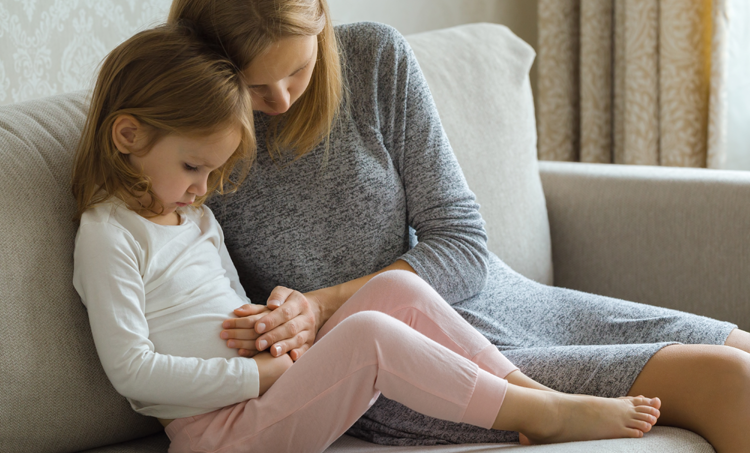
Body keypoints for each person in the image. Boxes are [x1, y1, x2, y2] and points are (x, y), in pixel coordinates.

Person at [166, 1, 750, 452]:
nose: (283, 99)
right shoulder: (191, 144)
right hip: (405, 364)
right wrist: (303, 325)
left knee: (740, 347)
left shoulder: (372, 59)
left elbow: (462, 243)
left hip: (497, 298)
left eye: (297, 68)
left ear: (320, 21)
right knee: (731, 381)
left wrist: (317, 304)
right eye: (254, 84)